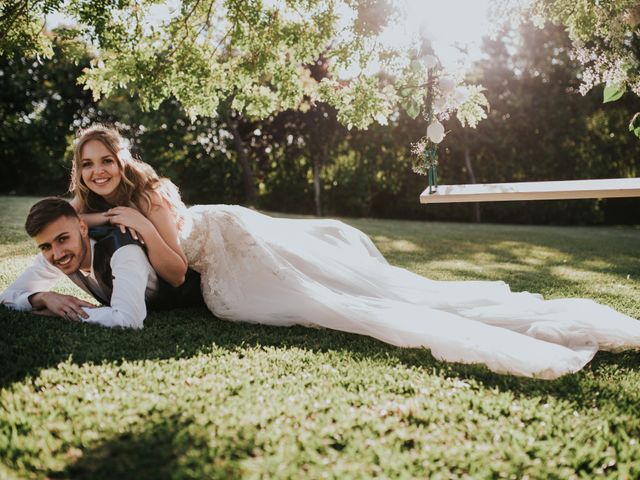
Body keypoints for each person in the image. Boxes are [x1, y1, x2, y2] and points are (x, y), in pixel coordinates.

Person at [22, 124, 640, 379]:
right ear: (78, 170)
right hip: (204, 250)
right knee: (323, 301)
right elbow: (49, 250)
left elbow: (176, 268)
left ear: (122, 161)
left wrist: (137, 219)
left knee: (340, 302)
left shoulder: (148, 191)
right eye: (88, 164)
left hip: (226, 243)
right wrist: (44, 288)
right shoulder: (76, 210)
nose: (99, 171)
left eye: (108, 161)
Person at [0, 197, 204, 328]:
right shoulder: (55, 255)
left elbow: (127, 320)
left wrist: (64, 313)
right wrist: (42, 297)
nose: (57, 253)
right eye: (45, 246)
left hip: (200, 291)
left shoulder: (123, 251)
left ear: (82, 227)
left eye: (63, 239)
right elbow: (6, 297)